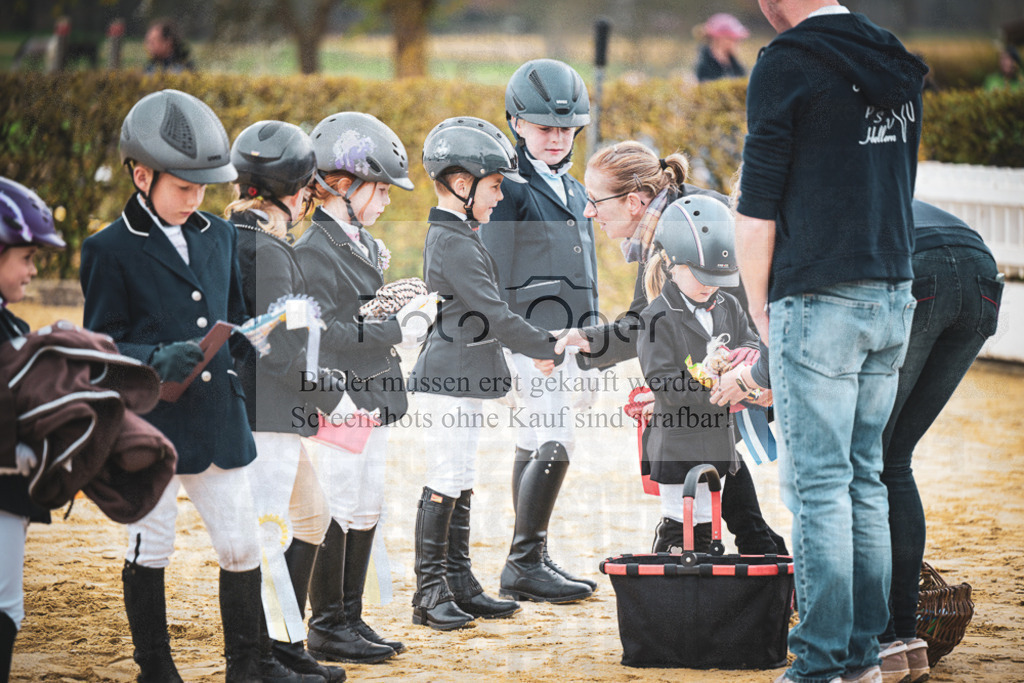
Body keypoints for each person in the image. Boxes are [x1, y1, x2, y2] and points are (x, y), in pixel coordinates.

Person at [734, 2, 929, 682]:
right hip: (891, 289)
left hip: (818, 293)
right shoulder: (892, 55)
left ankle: (819, 664)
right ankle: (860, 658)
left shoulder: (787, 61)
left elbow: (757, 206)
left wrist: (759, 305)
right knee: (863, 479)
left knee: (818, 486)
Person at [79, 89, 266, 681]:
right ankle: (155, 667)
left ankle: (247, 663)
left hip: (217, 418)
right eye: (183, 187)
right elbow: (98, 348)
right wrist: (154, 356)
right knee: (152, 545)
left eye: (203, 188)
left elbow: (231, 318)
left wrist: (260, 337)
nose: (195, 199)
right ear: (141, 174)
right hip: (149, 425)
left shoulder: (219, 235)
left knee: (241, 545)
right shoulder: (107, 249)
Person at [409, 116, 588, 628]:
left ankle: (460, 582)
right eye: (491, 187)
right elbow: (494, 313)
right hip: (448, 374)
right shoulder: (455, 242)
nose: (496, 198)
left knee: (462, 476)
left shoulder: (462, 234)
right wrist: (545, 345)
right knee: (445, 477)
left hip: (466, 374)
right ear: (461, 185)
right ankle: (429, 592)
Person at [565, 141, 784, 555]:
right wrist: (588, 340)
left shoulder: (689, 226)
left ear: (633, 202)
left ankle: (742, 553)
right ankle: (756, 549)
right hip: (746, 357)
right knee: (704, 434)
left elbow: (731, 323)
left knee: (702, 433)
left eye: (594, 201)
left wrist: (675, 391)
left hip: (774, 347)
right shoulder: (668, 225)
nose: (588, 212)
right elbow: (645, 320)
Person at [294, 111, 424, 665]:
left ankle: (350, 615)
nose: (388, 200)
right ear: (343, 187)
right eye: (381, 189)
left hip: (374, 393)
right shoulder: (312, 250)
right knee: (340, 503)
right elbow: (327, 334)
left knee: (368, 503)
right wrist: (401, 326)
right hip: (338, 397)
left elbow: (361, 312)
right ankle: (326, 624)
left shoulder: (364, 244)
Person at [227, 120, 346, 682]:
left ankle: (287, 643)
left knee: (312, 516)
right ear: (291, 193)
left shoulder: (241, 238)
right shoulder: (266, 249)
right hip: (268, 407)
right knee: (272, 529)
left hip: (272, 403)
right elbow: (275, 345)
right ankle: (269, 654)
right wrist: (329, 391)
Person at [480, 58, 599, 603]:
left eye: (567, 128)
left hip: (569, 338)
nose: (557, 138)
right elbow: (493, 274)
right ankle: (524, 561)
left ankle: (531, 553)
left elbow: (582, 269)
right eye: (545, 128)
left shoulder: (573, 190)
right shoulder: (511, 189)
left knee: (533, 440)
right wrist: (517, 344)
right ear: (517, 124)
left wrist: (592, 325)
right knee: (556, 438)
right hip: (535, 340)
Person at [634, 194, 779, 555]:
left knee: (734, 523)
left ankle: (765, 587)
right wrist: (715, 384)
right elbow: (662, 381)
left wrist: (744, 363)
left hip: (720, 438)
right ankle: (674, 601)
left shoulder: (727, 303)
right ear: (671, 264)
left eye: (717, 278)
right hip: (678, 441)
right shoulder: (655, 317)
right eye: (701, 277)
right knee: (685, 529)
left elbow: (749, 339)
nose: (710, 286)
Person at [0, 177, 66, 683]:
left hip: (13, 493)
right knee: (4, 610)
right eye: (24, 257)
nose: (33, 268)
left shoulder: (14, 329)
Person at [695, 13, 749, 82]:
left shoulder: (734, 64)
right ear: (720, 39)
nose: (737, 43)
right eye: (733, 39)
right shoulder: (704, 66)